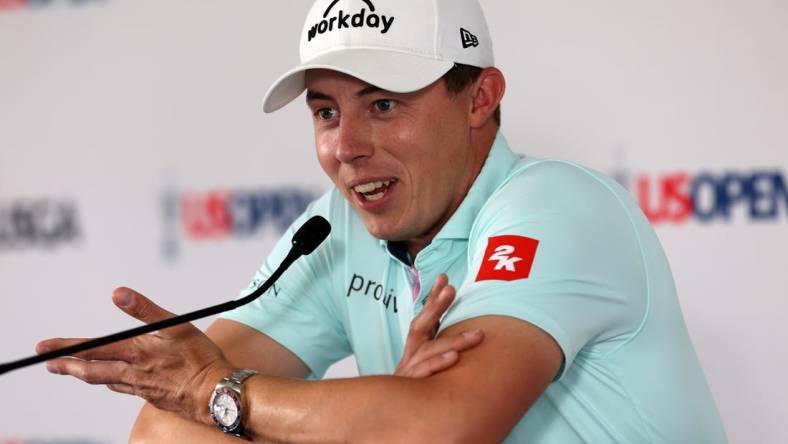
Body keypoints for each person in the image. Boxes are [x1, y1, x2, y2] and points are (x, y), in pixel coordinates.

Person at [37, 0, 728, 442]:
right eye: (326, 111)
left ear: (480, 97)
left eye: (384, 104)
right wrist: (381, 414)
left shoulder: (557, 204)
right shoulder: (335, 228)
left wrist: (217, 391)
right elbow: (165, 433)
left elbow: (442, 428)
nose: (346, 146)